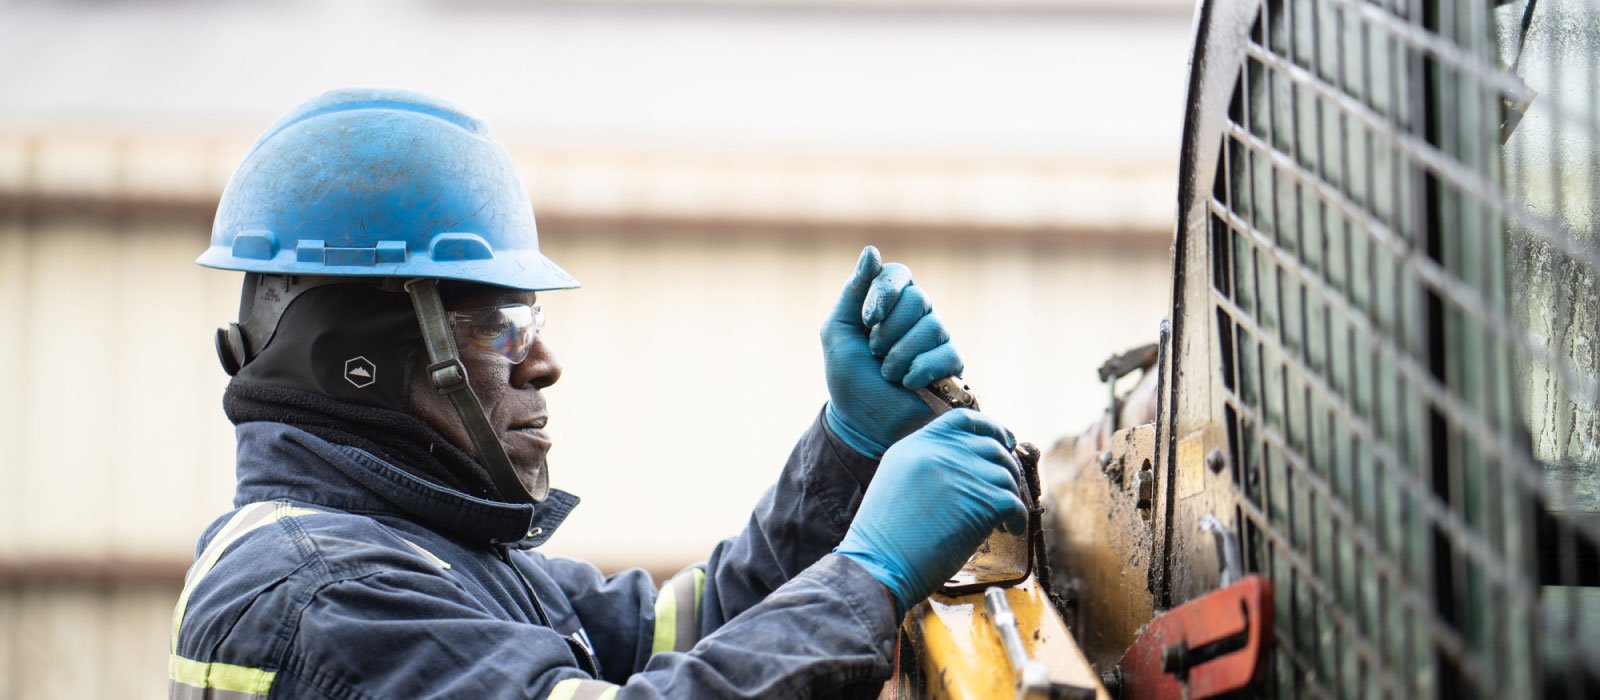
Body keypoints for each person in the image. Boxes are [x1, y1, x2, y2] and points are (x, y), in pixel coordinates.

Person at [170, 88, 1026, 699]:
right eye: (494, 324)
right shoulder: (324, 596)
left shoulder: (434, 552)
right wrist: (867, 573)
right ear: (358, 359)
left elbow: (694, 628)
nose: (542, 363)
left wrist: (849, 446)